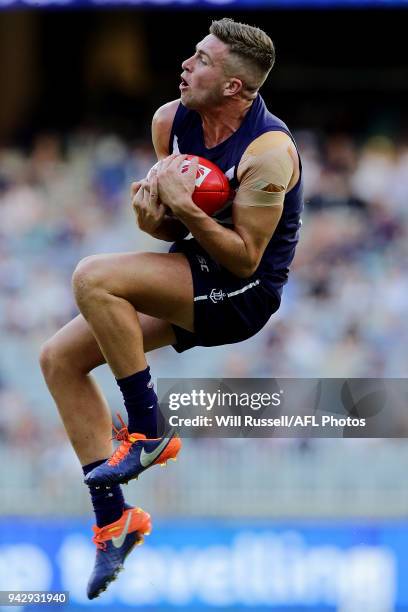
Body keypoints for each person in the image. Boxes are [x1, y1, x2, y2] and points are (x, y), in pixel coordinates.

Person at [39, 17, 303, 600]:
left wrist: (186, 208)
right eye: (193, 53)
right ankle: (114, 520)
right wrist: (152, 211)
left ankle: (148, 427)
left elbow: (244, 259)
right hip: (198, 272)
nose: (187, 64)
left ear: (234, 86)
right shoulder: (170, 120)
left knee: (94, 276)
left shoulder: (269, 152)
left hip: (243, 295)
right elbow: (163, 227)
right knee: (58, 359)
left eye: (203, 60)